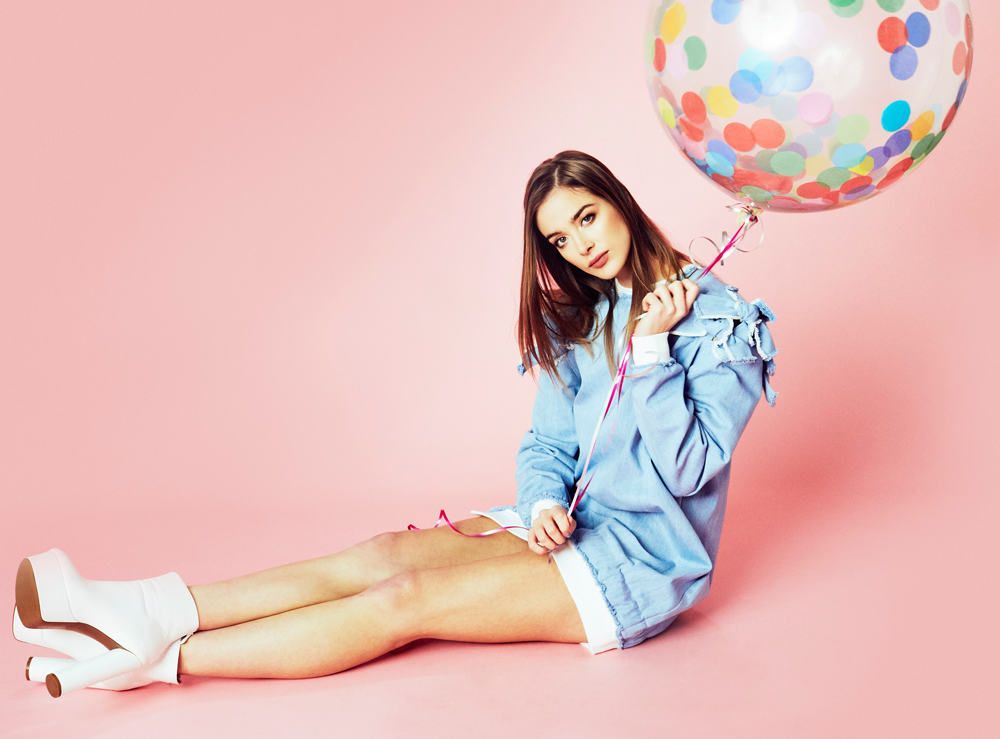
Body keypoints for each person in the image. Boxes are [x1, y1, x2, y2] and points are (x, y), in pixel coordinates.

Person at [12, 150, 778, 698]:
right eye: (560, 238)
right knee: (382, 553)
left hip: (642, 563)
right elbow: (550, 444)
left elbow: (688, 472)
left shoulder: (718, 322)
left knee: (402, 600)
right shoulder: (582, 316)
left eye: (588, 217)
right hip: (575, 526)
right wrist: (544, 500)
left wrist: (653, 351)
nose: (582, 246)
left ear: (619, 202)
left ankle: (149, 660)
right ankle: (142, 609)